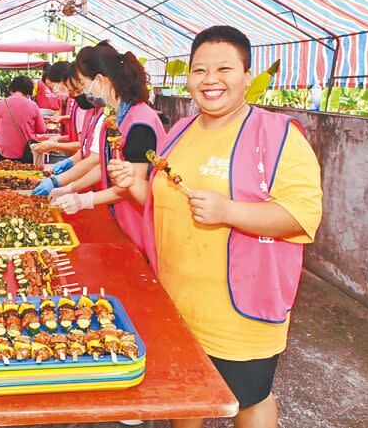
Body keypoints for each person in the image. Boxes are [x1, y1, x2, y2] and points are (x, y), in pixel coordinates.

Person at [108, 26, 323, 428]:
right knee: (186, 399)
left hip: (238, 312)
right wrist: (134, 184)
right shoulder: (181, 132)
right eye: (199, 70)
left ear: (247, 75)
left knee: (250, 399)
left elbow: (301, 216)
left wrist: (230, 212)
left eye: (224, 68)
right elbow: (163, 207)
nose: (210, 80)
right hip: (177, 303)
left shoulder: (276, 135)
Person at [37, 41, 166, 254]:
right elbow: (104, 165)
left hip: (139, 223)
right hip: (119, 218)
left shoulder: (140, 122)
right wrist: (69, 188)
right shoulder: (112, 118)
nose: (82, 92)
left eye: (82, 84)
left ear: (98, 80)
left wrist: (85, 199)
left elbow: (132, 185)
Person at [0, 76, 45, 162]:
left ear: (12, 88)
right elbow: (42, 130)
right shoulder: (33, 105)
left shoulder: (1, 103)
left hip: (5, 154)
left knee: (2, 175)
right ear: (28, 92)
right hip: (26, 154)